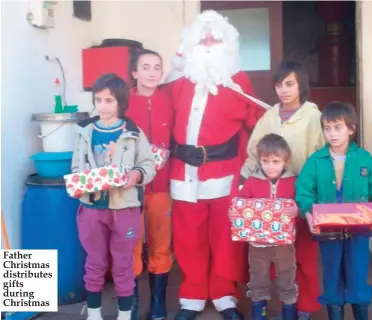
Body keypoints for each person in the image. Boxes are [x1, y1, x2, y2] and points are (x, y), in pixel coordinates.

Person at [163, 10, 268, 320]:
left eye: (215, 38)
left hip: (225, 172)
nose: (208, 43)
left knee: (225, 239)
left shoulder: (239, 81)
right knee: (188, 237)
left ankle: (224, 295)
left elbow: (257, 124)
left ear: (228, 45)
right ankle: (192, 297)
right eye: (202, 38)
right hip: (185, 172)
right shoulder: (177, 82)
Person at [241, 60, 324, 319]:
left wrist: (313, 196)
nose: (284, 90)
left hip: (302, 192)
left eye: (290, 84)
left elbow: (321, 156)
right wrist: (244, 181)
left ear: (301, 85)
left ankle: (305, 308)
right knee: (274, 257)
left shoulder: (313, 116)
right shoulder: (270, 115)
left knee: (305, 256)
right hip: (269, 198)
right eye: (279, 85)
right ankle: (280, 305)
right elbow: (254, 151)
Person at [295, 102, 372, 320]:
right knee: (331, 279)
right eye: (327, 128)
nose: (332, 134)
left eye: (338, 128)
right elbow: (303, 192)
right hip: (328, 232)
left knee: (357, 278)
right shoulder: (315, 161)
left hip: (359, 233)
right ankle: (335, 314)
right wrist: (308, 213)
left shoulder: (364, 159)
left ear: (351, 129)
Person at [71, 73, 156, 320]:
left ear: (120, 102)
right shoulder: (85, 131)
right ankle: (95, 313)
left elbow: (148, 164)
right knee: (94, 262)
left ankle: (124, 314)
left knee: (123, 264)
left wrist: (137, 175)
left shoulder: (133, 132)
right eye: (98, 100)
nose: (102, 106)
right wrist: (79, 181)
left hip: (124, 208)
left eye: (109, 101)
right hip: (92, 207)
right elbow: (76, 164)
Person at [126, 49, 173, 320]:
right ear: (135, 73)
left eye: (157, 67)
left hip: (162, 184)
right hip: (131, 186)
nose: (152, 72)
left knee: (161, 242)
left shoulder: (169, 100)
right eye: (146, 67)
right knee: (131, 242)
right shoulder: (124, 102)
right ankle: (130, 302)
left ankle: (158, 302)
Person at [232, 134, 299, 320]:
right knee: (258, 281)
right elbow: (240, 203)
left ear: (285, 160)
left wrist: (297, 209)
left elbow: (301, 203)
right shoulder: (252, 182)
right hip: (257, 245)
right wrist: (234, 213)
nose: (270, 166)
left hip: (284, 245)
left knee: (287, 280)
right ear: (259, 160)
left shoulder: (293, 181)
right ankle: (259, 316)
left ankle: (289, 316)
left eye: (276, 161)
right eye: (265, 161)